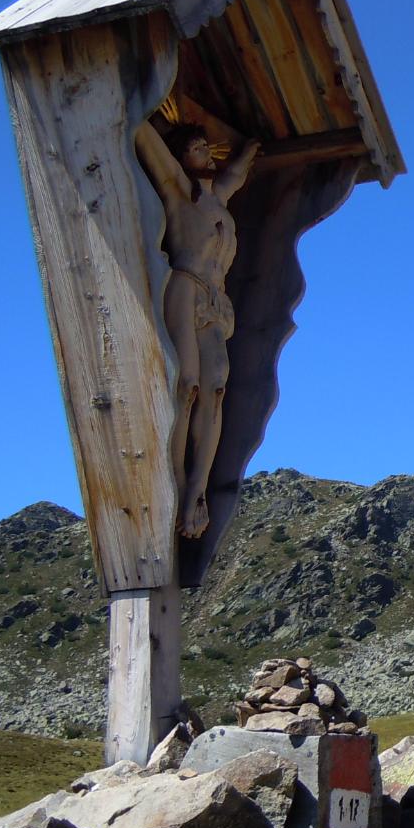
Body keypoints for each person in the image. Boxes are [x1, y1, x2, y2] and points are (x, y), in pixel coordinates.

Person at [135, 118, 260, 538]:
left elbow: (237, 173)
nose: (204, 153)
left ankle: (198, 490)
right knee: (186, 386)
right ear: (180, 156)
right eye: (194, 148)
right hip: (186, 288)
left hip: (216, 300)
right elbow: (149, 145)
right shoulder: (177, 190)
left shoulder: (217, 199)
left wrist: (250, 148)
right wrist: (140, 106)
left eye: (207, 147)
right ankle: (175, 485)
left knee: (216, 389)